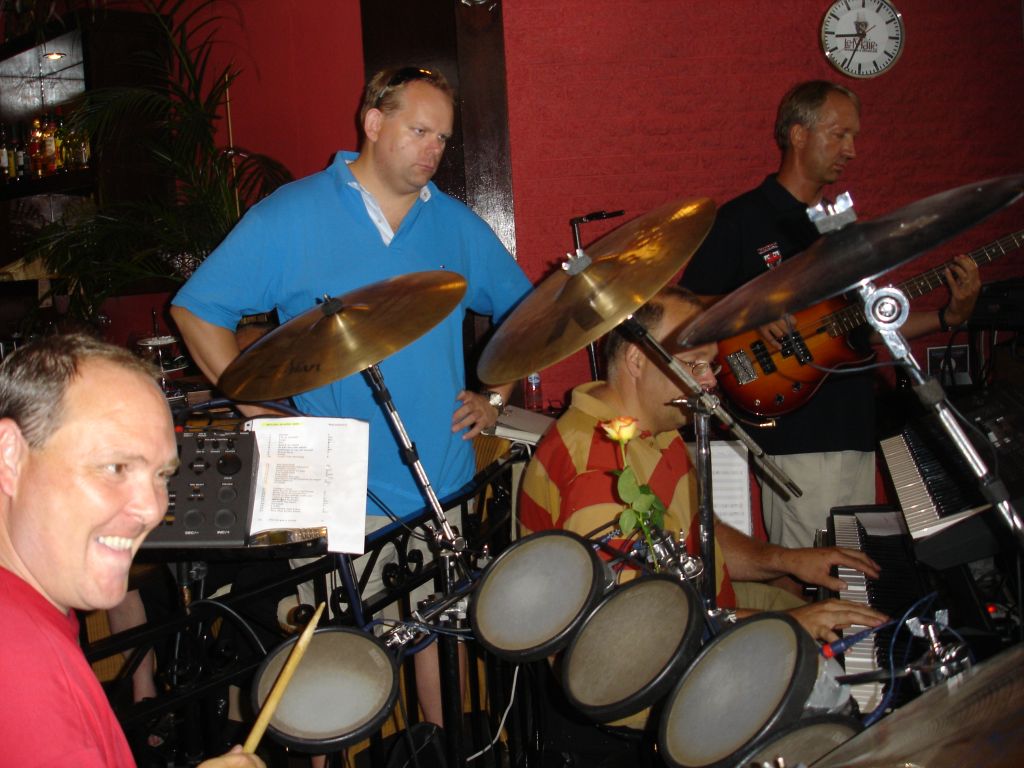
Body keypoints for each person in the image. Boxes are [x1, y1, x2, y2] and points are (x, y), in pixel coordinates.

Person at [169, 66, 531, 726]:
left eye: (442, 138)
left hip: (440, 478)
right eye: (419, 131)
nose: (433, 149)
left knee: (436, 647)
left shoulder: (455, 225)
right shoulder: (292, 214)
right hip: (332, 487)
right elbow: (197, 309)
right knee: (330, 671)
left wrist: (496, 397)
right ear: (372, 122)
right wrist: (256, 409)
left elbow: (526, 314)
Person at [680, 80, 981, 548]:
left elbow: (867, 328)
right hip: (795, 429)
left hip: (854, 426)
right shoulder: (741, 220)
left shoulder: (841, 231)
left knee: (852, 570)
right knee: (814, 570)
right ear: (798, 134)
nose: (852, 150)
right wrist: (749, 313)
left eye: (854, 137)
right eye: (840, 134)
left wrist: (948, 318)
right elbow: (685, 313)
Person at [519, 287, 888, 643]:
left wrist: (786, 561)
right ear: (637, 360)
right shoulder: (600, 470)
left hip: (707, 603)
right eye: (694, 364)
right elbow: (636, 624)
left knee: (850, 623)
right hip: (654, 652)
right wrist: (793, 622)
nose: (710, 380)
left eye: (710, 364)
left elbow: (701, 533)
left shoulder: (655, 426)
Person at [0, 333, 264, 768]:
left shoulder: (32, 612)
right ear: (10, 456)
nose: (152, 509)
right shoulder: (24, 676)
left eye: (162, 475)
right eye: (116, 467)